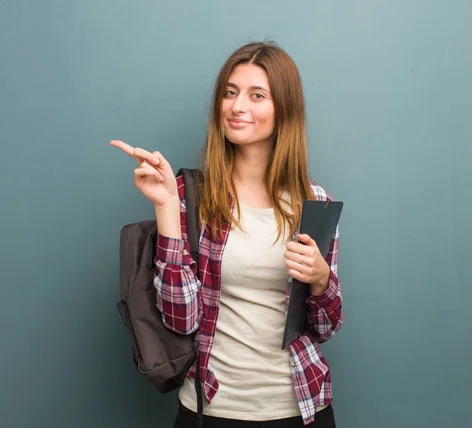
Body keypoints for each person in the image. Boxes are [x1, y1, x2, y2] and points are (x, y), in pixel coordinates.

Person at [111, 41, 342, 428]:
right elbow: (180, 320)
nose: (237, 106)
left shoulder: (313, 201)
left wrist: (321, 280)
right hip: (214, 409)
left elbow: (324, 328)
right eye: (230, 93)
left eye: (257, 95)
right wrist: (167, 207)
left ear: (283, 110)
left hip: (302, 407)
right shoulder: (192, 195)